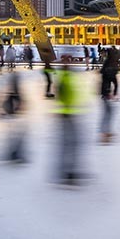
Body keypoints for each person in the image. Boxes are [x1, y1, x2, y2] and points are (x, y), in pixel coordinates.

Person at [55, 55, 87, 184]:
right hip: (66, 114)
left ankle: (68, 170)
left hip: (71, 113)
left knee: (72, 143)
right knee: (69, 143)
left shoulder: (67, 74)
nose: (70, 62)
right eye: (68, 60)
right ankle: (65, 171)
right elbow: (60, 94)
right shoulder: (64, 76)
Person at [99, 49, 119, 144]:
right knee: (108, 112)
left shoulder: (108, 63)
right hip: (105, 91)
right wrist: (111, 92)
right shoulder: (110, 65)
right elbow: (112, 79)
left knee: (109, 112)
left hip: (105, 90)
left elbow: (111, 78)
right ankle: (104, 133)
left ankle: (106, 132)